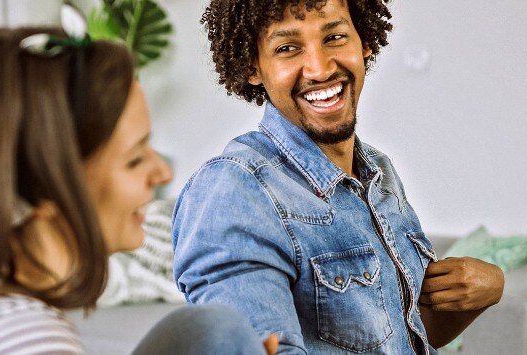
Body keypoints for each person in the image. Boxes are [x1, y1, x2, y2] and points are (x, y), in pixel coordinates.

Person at [0, 24, 271, 354]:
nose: (162, 173)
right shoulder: (29, 341)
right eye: (134, 158)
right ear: (46, 187)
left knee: (208, 329)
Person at [172, 0, 506, 353]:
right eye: (287, 48)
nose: (319, 68)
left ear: (363, 43)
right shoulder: (235, 190)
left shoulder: (378, 171)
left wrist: (484, 293)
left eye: (334, 37)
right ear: (253, 66)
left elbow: (401, 337)